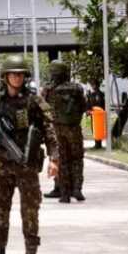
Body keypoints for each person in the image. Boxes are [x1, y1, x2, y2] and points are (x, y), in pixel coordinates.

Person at [0, 55, 59, 254]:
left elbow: (49, 129)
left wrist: (54, 159)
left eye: (20, 74)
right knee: (0, 213)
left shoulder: (34, 100)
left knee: (30, 213)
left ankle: (31, 250)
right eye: (13, 74)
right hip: (1, 167)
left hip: (26, 166)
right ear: (5, 76)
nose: (17, 78)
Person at [42, 61, 87, 203]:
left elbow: (43, 108)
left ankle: (64, 193)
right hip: (74, 128)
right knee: (77, 159)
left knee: (61, 159)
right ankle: (77, 189)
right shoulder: (77, 89)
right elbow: (83, 106)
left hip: (56, 129)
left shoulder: (48, 89)